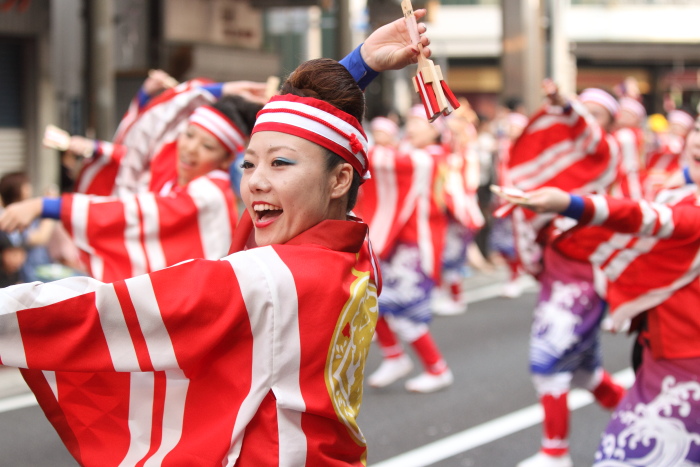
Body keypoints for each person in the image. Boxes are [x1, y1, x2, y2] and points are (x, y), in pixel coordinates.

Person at [0, 11, 435, 466]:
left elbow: (98, 312)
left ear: (340, 178)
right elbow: (321, 149)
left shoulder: (269, 275)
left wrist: (51, 207)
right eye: (248, 165)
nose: (256, 183)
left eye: (279, 164)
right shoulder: (355, 249)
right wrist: (357, 66)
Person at [494, 120, 700, 465]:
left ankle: (555, 450)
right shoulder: (672, 191)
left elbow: (644, 217)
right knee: (581, 377)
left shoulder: (681, 207)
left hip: (687, 363)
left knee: (551, 367)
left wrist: (570, 203)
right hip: (658, 355)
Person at [508, 82, 626, 467]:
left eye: (598, 114)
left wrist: (569, 105)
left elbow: (592, 137)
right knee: (586, 372)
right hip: (558, 271)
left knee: (547, 364)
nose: (587, 120)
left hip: (586, 271)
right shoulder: (562, 162)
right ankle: (647, 423)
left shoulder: (609, 153)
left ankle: (555, 453)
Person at [357, 105, 454, 393]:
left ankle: (437, 368)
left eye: (419, 122)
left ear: (435, 130)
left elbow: (390, 164)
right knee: (369, 298)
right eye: (410, 121)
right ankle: (394, 356)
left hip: (416, 243)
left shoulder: (431, 157)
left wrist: (351, 142)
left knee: (405, 312)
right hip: (398, 241)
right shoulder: (413, 152)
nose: (411, 127)